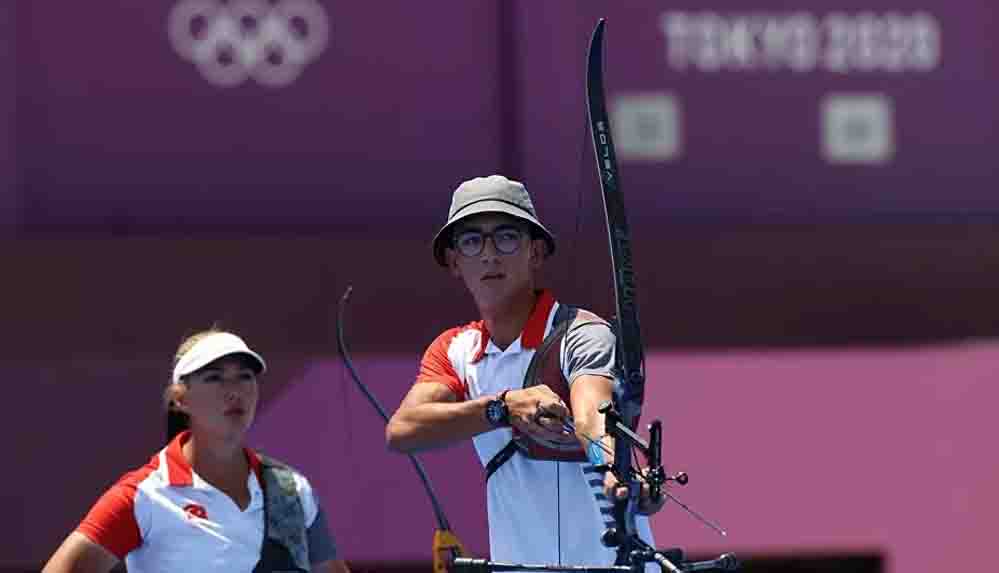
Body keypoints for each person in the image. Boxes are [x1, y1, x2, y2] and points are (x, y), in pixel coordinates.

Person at [386, 175, 664, 568]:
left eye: (506, 237)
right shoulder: (454, 350)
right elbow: (402, 431)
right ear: (453, 261)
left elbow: (593, 413)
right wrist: (502, 408)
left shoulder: (581, 333)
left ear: (535, 252)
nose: (489, 255)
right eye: (471, 241)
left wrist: (613, 469)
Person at [42, 329, 350, 573]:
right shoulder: (144, 495)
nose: (234, 390)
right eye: (214, 377)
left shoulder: (294, 491)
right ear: (181, 398)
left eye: (245, 376)